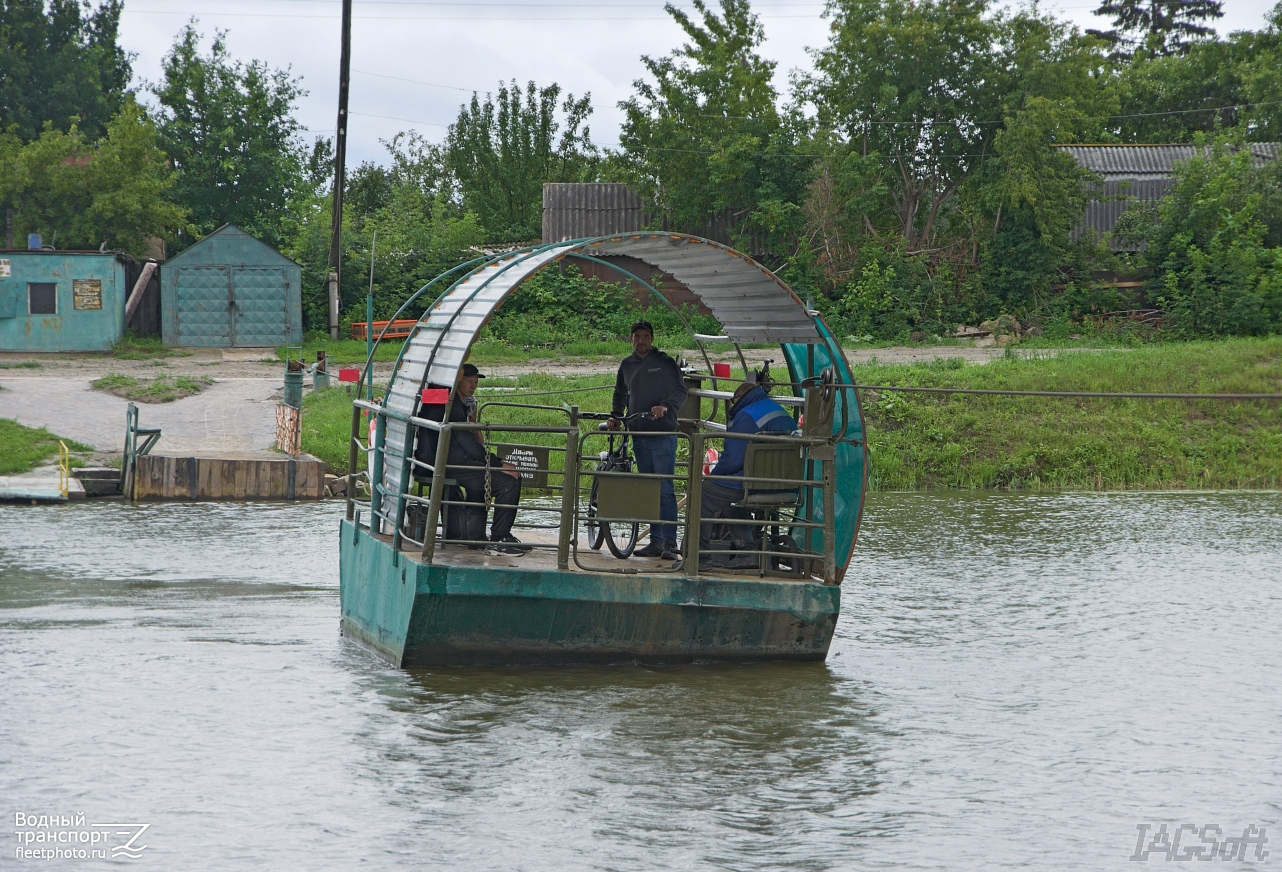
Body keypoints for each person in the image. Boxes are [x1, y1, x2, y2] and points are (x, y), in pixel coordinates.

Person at [416, 363, 526, 556]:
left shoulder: (455, 404)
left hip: (448, 462)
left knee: (482, 484)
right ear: (457, 381)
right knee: (509, 482)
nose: (473, 385)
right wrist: (497, 463)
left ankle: (475, 537)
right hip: (448, 464)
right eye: (468, 381)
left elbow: (467, 444)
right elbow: (466, 442)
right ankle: (499, 537)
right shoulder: (453, 407)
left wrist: (492, 461)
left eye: (475, 382)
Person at [607, 320, 687, 559]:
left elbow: (680, 391)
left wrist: (666, 407)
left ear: (652, 339)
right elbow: (619, 394)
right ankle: (656, 541)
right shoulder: (627, 365)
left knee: (664, 488)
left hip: (662, 434)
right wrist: (616, 417)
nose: (641, 341)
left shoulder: (665, 362)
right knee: (649, 489)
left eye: (645, 336)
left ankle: (670, 542)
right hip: (638, 434)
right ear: (631, 339)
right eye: (637, 336)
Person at [699, 381, 796, 568]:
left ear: (739, 399)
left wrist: (713, 477)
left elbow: (732, 460)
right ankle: (747, 550)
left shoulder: (747, 416)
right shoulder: (779, 411)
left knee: (705, 490)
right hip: (788, 485)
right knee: (726, 492)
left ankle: (698, 558)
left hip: (756, 484)